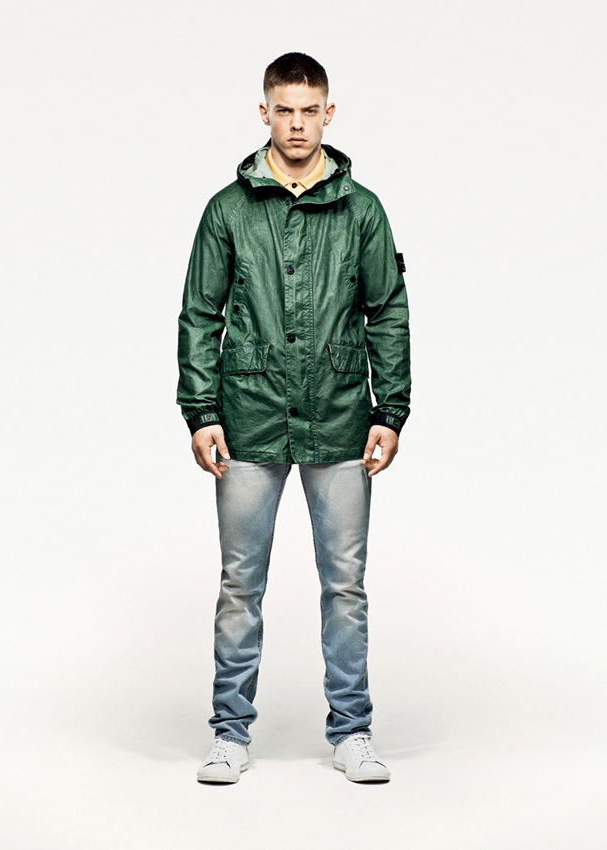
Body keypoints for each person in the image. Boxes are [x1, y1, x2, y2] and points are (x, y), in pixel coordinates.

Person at [176, 52, 411, 784]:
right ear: (265, 113)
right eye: (286, 110)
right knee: (239, 583)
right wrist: (201, 411)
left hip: (340, 417)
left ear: (328, 114)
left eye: (311, 111)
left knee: (345, 584)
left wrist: (391, 409)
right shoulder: (228, 210)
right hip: (247, 417)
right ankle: (229, 733)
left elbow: (387, 311)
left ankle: (353, 732)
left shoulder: (362, 210)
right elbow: (199, 314)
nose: (299, 124)